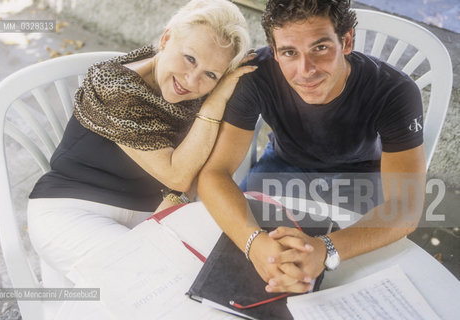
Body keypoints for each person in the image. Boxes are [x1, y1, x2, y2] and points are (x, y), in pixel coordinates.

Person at [197, 0, 426, 294]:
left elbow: (405, 208)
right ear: (276, 52)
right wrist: (254, 243)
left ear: (346, 41)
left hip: (361, 177)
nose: (306, 71)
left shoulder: (395, 90)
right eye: (290, 52)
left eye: (320, 48)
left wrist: (325, 249)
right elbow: (213, 173)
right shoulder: (255, 74)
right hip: (281, 166)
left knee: (351, 283)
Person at [27, 0, 255, 280]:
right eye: (190, 58)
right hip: (72, 207)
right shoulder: (114, 85)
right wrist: (214, 102)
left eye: (211, 74)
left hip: (149, 210)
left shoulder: (187, 88)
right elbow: (179, 176)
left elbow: (201, 171)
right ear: (166, 38)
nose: (192, 80)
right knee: (148, 279)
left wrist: (169, 208)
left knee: (221, 269)